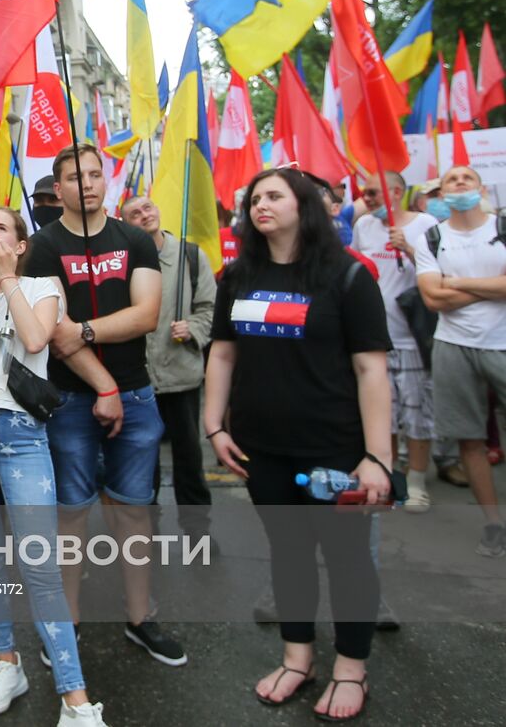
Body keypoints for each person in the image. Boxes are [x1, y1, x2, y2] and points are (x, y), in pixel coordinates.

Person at [203, 167, 391, 721]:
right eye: (254, 197)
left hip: (336, 451)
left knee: (349, 558)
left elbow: (371, 370)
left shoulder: (348, 277)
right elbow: (223, 353)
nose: (261, 204)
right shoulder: (237, 277)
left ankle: (351, 669)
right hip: (263, 450)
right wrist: (215, 426)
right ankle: (297, 658)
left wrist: (377, 457)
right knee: (288, 555)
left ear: (304, 204)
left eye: (274, 195)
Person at [0, 207, 113, 725]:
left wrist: (7, 279)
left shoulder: (41, 286)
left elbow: (35, 341)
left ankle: (75, 698)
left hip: (20, 433)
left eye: (0, 230)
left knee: (40, 565)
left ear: (20, 244)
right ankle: (6, 663)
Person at [23, 143, 187, 667]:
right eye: (75, 177)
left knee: (133, 515)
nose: (88, 184)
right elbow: (51, 332)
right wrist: (104, 386)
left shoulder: (134, 239)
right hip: (70, 399)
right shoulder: (43, 248)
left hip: (138, 393)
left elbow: (146, 315)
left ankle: (140, 619)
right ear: (59, 187)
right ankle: (67, 625)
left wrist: (88, 331)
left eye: (95, 174)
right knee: (70, 517)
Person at [413, 165, 506, 557]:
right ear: (442, 192)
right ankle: (493, 525)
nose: (460, 184)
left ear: (480, 187)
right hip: (451, 344)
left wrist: (455, 282)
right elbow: (433, 299)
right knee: (470, 438)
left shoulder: (501, 228)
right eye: (452, 180)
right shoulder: (432, 237)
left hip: (501, 344)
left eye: (467, 178)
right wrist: (494, 289)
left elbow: (443, 289)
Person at [120, 196, 215, 541]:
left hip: (181, 374)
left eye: (148, 208)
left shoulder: (190, 255)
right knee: (143, 462)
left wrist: (193, 328)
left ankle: (197, 531)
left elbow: (209, 307)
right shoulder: (124, 261)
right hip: (139, 378)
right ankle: (148, 530)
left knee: (189, 459)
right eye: (134, 213)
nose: (144, 215)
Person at [351, 171, 438, 512]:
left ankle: (416, 481)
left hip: (412, 337)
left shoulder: (426, 223)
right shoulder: (364, 226)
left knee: (417, 414)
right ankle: (387, 474)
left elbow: (443, 270)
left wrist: (411, 250)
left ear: (397, 192)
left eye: (373, 193)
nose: (368, 199)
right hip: (375, 340)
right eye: (365, 193)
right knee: (382, 414)